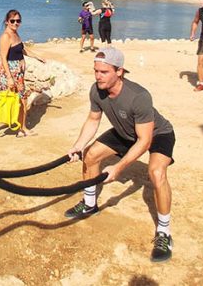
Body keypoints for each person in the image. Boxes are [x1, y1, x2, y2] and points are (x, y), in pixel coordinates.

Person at [65, 47, 176, 263]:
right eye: (96, 71)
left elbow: (144, 140)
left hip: (157, 133)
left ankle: (164, 232)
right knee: (90, 154)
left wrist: (118, 168)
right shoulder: (96, 91)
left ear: (119, 72)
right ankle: (89, 204)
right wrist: (78, 145)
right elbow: (93, 120)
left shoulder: (139, 97)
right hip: (126, 132)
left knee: (156, 173)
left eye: (104, 72)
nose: (98, 76)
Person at [0, 9, 45, 138]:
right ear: (7, 22)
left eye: (18, 21)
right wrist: (10, 78)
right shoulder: (6, 36)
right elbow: (3, 58)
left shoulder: (16, 34)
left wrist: (38, 57)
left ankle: (21, 128)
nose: (16, 23)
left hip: (18, 74)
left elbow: (23, 50)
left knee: (20, 100)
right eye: (13, 21)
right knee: (7, 100)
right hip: (9, 74)